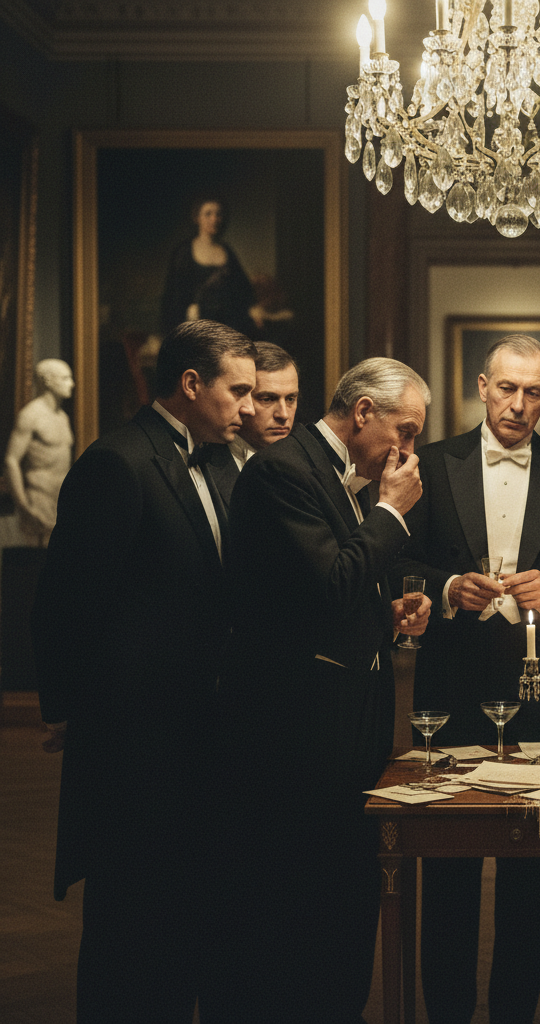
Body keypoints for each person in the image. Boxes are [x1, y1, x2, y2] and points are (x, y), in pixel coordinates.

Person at [30, 320, 257, 1024]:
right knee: (129, 940)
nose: (250, 407)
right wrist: (72, 713)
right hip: (137, 753)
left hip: (208, 746)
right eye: (238, 391)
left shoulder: (226, 464)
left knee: (192, 930)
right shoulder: (116, 463)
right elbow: (67, 604)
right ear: (191, 384)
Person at [207, 358, 432, 1024]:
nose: (408, 449)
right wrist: (390, 511)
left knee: (343, 891)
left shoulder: (339, 472)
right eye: (404, 430)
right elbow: (331, 584)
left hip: (344, 722)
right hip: (299, 731)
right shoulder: (283, 470)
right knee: (300, 899)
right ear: (362, 412)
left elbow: (324, 596)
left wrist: (386, 613)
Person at [395, 333, 540, 1024]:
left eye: (533, 392)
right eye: (507, 388)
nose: (518, 404)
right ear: (482, 387)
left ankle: (516, 1012)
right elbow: (397, 561)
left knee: (530, 868)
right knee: (446, 868)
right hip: (448, 686)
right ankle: (448, 1013)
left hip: (539, 684)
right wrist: (448, 586)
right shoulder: (431, 463)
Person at [159, 196, 259, 336]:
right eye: (208, 214)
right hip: (197, 320)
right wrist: (189, 311)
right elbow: (174, 296)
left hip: (228, 319)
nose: (214, 219)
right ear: (197, 218)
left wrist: (252, 307)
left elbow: (242, 288)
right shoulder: (184, 251)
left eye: (218, 214)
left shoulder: (227, 250)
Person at [4, 358, 75, 546]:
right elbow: (11, 460)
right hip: (38, 497)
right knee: (37, 557)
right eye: (65, 378)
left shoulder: (63, 417)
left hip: (60, 498)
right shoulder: (31, 415)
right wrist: (23, 505)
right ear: (48, 381)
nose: (72, 384)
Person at [229, 340, 300, 469]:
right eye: (267, 399)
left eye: (290, 399)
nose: (283, 415)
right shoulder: (207, 465)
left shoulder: (302, 463)